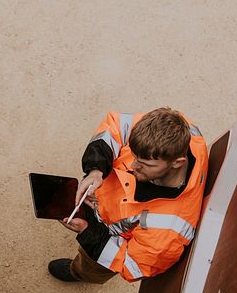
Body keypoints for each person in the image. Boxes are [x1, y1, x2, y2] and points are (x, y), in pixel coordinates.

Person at [48, 107, 208, 283]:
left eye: (145, 163)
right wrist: (96, 168)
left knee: (90, 267)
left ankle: (78, 273)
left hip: (107, 235)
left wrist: (88, 232)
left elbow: (130, 265)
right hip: (100, 201)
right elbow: (117, 126)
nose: (132, 165)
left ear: (178, 163)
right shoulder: (175, 130)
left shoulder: (169, 231)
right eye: (134, 155)